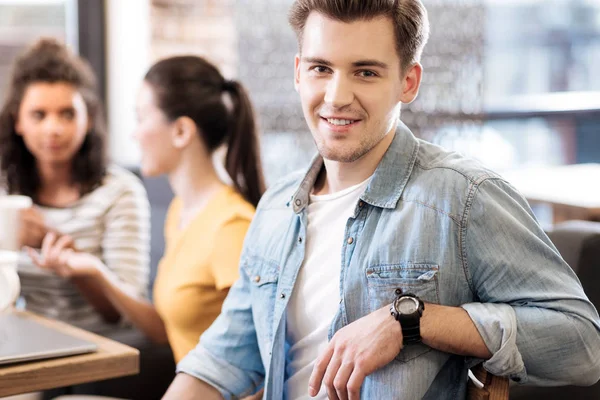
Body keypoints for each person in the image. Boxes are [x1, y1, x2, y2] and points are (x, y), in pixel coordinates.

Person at [163, 1, 600, 399]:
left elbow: (583, 343)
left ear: (408, 82)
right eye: (321, 68)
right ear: (298, 72)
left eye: (366, 72)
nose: (336, 96)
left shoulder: (463, 196)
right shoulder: (276, 207)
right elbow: (220, 362)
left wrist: (410, 321)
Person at [25, 54, 266, 367]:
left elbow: (263, 360)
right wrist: (96, 272)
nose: (134, 134)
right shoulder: (182, 211)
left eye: (141, 118)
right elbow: (164, 331)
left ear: (181, 132)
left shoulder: (231, 228)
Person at [0, 38, 150, 334]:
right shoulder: (5, 188)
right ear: (18, 122)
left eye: (67, 114)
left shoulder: (119, 192)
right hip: (19, 338)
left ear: (89, 119)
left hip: (96, 349)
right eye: (39, 115)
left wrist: (56, 247)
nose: (53, 128)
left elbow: (123, 314)